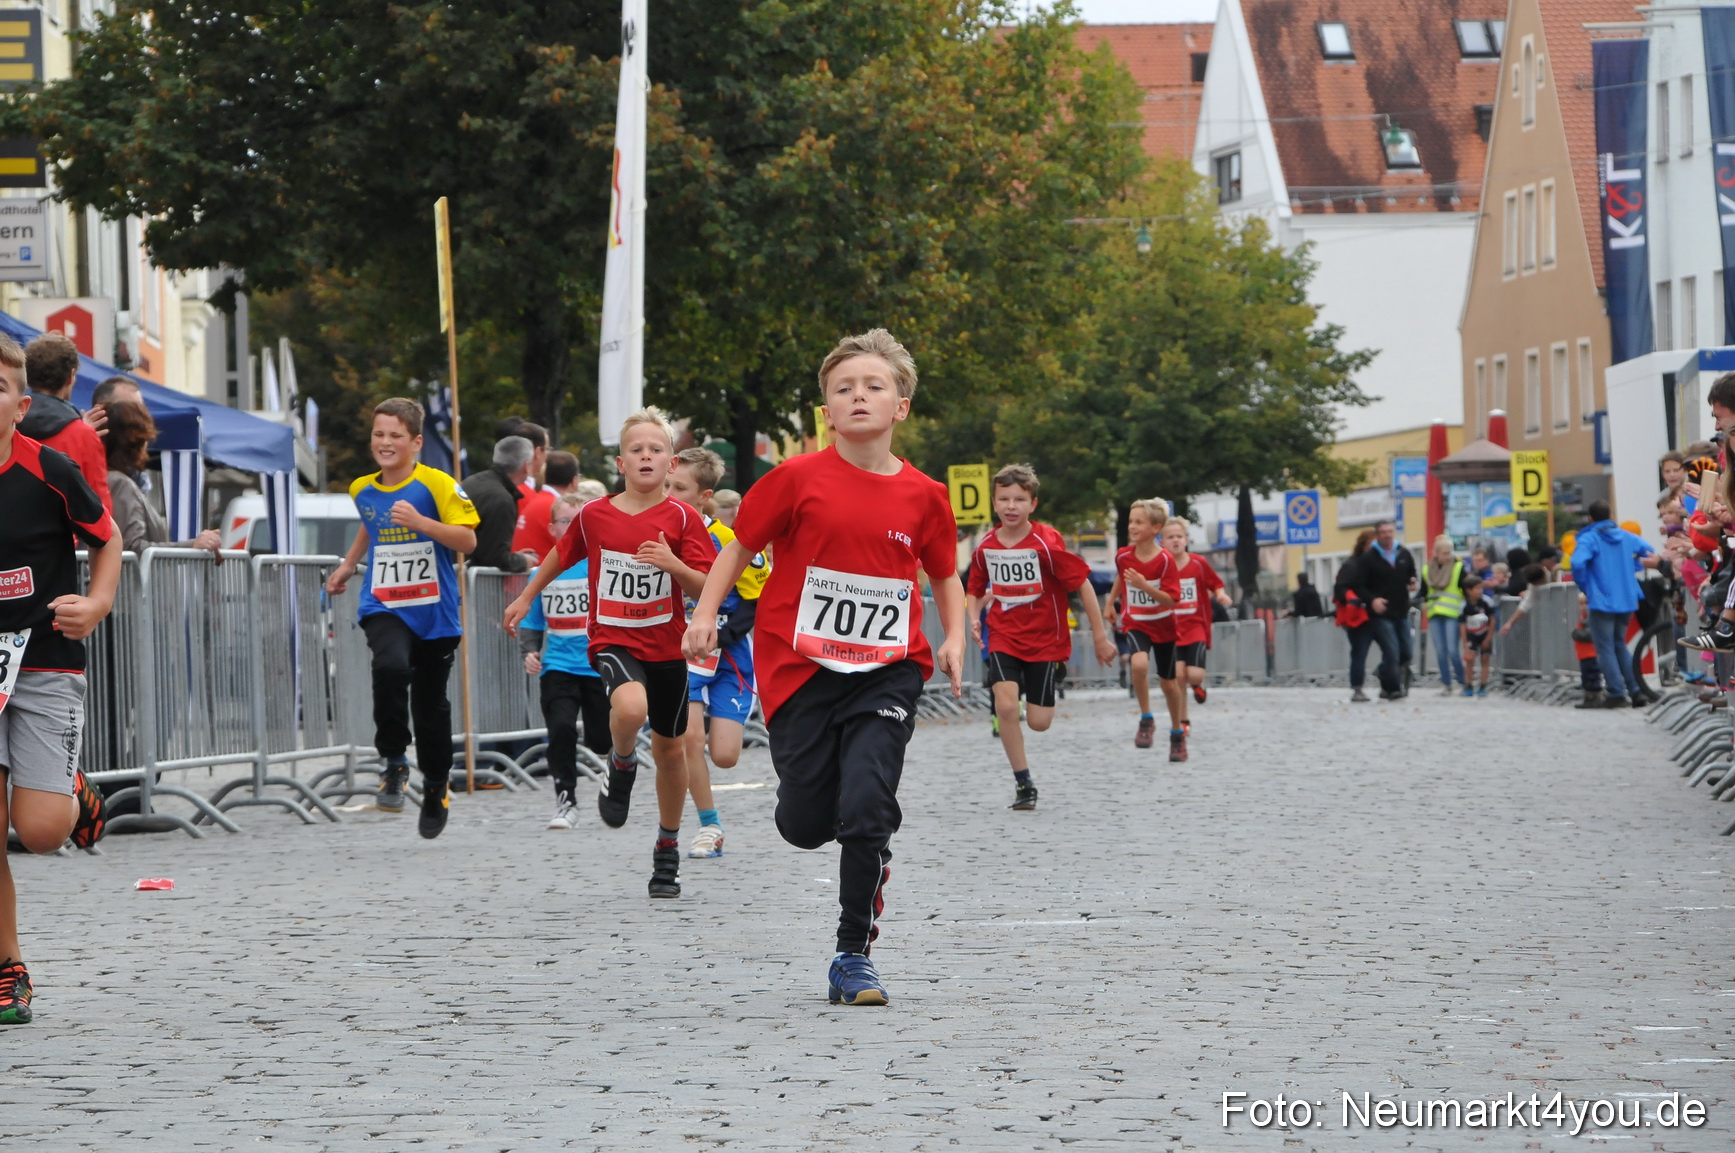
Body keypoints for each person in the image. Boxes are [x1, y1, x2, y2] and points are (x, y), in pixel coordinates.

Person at [680, 328, 966, 1007]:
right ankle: (840, 830)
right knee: (805, 824)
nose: (858, 395)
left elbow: (944, 573)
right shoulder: (793, 480)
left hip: (887, 668)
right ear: (826, 412)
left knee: (868, 805)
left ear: (900, 405)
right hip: (799, 670)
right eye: (843, 388)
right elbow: (738, 550)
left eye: (873, 385)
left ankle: (851, 953)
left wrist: (953, 635)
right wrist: (703, 617)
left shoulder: (925, 494)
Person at [505, 407, 715, 899]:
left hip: (666, 647)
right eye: (636, 450)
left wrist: (671, 564)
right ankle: (620, 761)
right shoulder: (597, 515)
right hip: (613, 639)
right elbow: (562, 553)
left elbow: (708, 585)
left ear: (672, 462)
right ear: (621, 463)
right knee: (630, 707)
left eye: (655, 449)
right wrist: (527, 595)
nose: (646, 456)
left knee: (669, 750)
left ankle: (667, 848)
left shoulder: (683, 518)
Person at [0, 332, 118, 1025]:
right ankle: (8, 964)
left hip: (44, 656)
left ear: (21, 403)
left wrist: (97, 603)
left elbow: (108, 539)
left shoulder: (47, 468)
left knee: (41, 831)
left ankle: (70, 788)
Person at [324, 398, 479, 837]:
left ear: (415, 442)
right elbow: (371, 524)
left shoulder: (438, 484)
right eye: (378, 434)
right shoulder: (361, 488)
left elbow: (467, 541)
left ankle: (435, 784)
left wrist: (422, 523)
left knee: (430, 707)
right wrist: (350, 564)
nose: (385, 443)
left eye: (395, 436)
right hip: (384, 602)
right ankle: (393, 761)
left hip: (434, 611)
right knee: (389, 666)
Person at [965, 463, 1116, 811]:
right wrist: (974, 619)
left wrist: (1099, 636)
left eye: (1020, 499)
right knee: (1004, 705)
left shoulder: (1046, 542)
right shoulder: (985, 547)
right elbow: (974, 588)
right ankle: (1024, 783)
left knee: (1039, 722)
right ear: (994, 502)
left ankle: (1050, 677)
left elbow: (1083, 585)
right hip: (1003, 634)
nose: (1011, 506)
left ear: (1033, 504)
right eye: (1004, 499)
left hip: (1046, 639)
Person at [666, 446, 769, 859]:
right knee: (689, 736)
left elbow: (757, 594)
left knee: (724, 755)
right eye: (666, 484)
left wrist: (720, 630)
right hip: (683, 655)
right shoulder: (656, 533)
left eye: (679, 488)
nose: (668, 493)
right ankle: (710, 826)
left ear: (704, 496)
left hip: (728, 656)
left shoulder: (728, 539)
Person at [517, 492, 611, 829]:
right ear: (552, 528)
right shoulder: (542, 573)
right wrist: (529, 652)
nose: (570, 527)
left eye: (577, 521)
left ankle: (616, 768)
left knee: (603, 739)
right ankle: (566, 799)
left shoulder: (603, 565)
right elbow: (531, 622)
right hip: (558, 666)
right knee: (560, 730)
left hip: (599, 666)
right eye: (563, 521)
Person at [1107, 499, 1184, 757]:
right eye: (1131, 521)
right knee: (1138, 665)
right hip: (1136, 621)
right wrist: (1110, 602)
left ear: (1155, 528)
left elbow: (1172, 599)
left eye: (1139, 522)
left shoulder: (1165, 561)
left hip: (1163, 626)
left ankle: (1176, 733)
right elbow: (1122, 576)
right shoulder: (1123, 555)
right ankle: (1146, 718)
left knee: (1168, 684)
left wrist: (1145, 586)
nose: (1132, 526)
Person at [1569, 499, 1659, 708]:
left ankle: (1616, 692)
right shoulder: (1627, 537)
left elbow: (1577, 562)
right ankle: (1635, 690)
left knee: (1605, 648)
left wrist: (1586, 586)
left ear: (1590, 518)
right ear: (1610, 515)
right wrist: (1632, 566)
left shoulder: (1590, 538)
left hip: (1601, 599)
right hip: (1627, 597)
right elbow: (1649, 551)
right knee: (1620, 644)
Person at [102, 400, 222, 555]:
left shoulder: (111, 480)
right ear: (137, 442)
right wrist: (191, 545)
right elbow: (131, 546)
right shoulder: (120, 483)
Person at [18, 332, 111, 519]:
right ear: (71, 376)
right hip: (67, 544)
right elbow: (101, 512)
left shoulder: (8, 423)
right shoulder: (83, 435)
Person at [1161, 517, 1232, 726]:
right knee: (1178, 678)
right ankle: (1184, 721)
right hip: (1170, 629)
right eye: (1170, 537)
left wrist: (1220, 595)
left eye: (1179, 536)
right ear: (1162, 541)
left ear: (1187, 539)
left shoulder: (1198, 563)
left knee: (1194, 675)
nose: (1175, 541)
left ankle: (1197, 685)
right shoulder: (1161, 565)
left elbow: (1215, 583)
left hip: (1195, 627)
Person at [1333, 529, 1396, 702]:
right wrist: (1350, 598)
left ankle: (1386, 682)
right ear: (1364, 545)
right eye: (1372, 544)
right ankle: (1357, 688)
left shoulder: (1383, 564)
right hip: (1359, 617)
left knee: (1392, 651)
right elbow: (1340, 588)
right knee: (1359, 653)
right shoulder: (1352, 565)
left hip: (1380, 615)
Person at [1357, 519, 1418, 697]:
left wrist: (1412, 581)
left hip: (1401, 610)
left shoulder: (1403, 553)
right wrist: (1372, 600)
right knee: (1392, 651)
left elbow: (1411, 574)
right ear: (1377, 535)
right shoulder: (1368, 559)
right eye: (1383, 532)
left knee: (1406, 652)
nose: (1387, 535)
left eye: (1390, 531)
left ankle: (1383, 672)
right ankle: (1392, 689)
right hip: (1381, 614)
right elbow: (1359, 586)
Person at [462, 435, 533, 572]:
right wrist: (523, 561)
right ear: (526, 466)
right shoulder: (502, 500)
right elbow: (494, 558)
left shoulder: (472, 481)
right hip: (471, 583)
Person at [1423, 534, 1472, 695]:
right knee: (1440, 651)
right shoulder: (1426, 570)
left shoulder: (1458, 568)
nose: (1448, 556)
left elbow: (1467, 590)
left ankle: (1462, 682)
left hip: (1452, 614)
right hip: (1434, 614)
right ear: (1436, 553)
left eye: (1449, 552)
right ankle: (1446, 684)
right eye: (1444, 553)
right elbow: (1423, 592)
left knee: (1452, 650)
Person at [511, 423, 556, 561]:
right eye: (547, 449)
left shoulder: (524, 489)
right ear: (537, 452)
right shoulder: (520, 492)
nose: (547, 456)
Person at [1460, 575, 1494, 696]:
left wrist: (1488, 638)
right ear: (1469, 590)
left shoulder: (1487, 602)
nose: (1480, 591)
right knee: (1470, 660)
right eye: (1477, 588)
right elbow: (1463, 624)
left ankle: (1483, 686)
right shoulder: (1464, 605)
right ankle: (1468, 685)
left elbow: (1492, 620)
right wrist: (1465, 643)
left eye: (1481, 588)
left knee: (1485, 659)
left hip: (1484, 634)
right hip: (1471, 635)